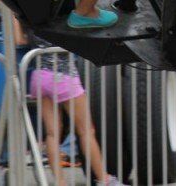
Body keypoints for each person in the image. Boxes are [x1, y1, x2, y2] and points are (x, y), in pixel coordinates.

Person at [15, 21, 120, 186]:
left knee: (52, 133)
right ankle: (104, 179)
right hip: (64, 75)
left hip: (39, 75)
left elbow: (20, 41)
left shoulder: (27, 14)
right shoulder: (59, 13)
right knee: (86, 131)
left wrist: (16, 19)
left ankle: (60, 182)